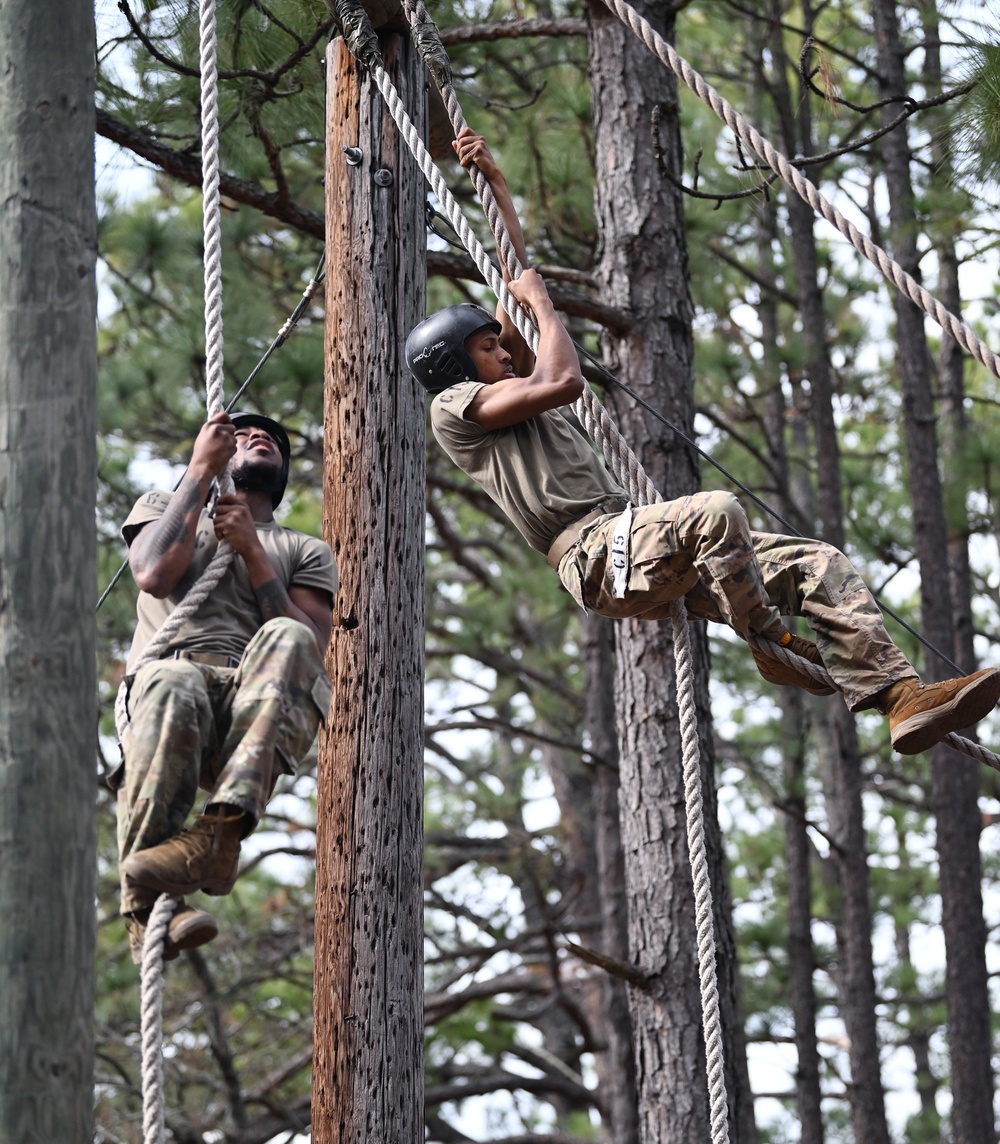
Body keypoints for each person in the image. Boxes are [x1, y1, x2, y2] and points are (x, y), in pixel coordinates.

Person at [405, 128, 1000, 756]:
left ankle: (898, 698)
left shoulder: (505, 387)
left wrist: (496, 188)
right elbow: (563, 376)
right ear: (454, 364)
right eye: (487, 346)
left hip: (637, 545)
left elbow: (512, 285)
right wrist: (545, 307)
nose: (503, 348)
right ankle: (769, 641)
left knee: (817, 564)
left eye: (499, 344)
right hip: (598, 557)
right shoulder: (456, 408)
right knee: (716, 513)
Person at [110, 410, 337, 964]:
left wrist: (254, 553)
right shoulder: (167, 508)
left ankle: (222, 833)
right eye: (243, 434)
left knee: (288, 633)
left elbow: (310, 645)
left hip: (248, 710)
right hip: (168, 695)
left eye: (273, 440)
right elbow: (153, 575)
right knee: (177, 680)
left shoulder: (305, 551)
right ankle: (149, 908)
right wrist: (198, 472)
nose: (259, 437)